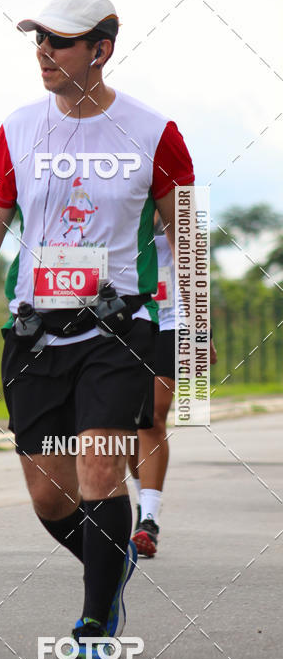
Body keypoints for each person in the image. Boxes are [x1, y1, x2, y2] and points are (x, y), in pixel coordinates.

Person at [0, 0, 195, 659]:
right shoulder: (19, 129)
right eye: (38, 41)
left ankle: (94, 626)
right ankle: (109, 571)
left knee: (97, 467)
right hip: (35, 335)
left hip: (120, 329)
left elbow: (186, 236)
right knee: (50, 496)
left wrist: (187, 327)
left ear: (101, 50)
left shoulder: (154, 133)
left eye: (59, 42)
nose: (44, 53)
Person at [129, 215, 217, 557]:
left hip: (172, 320)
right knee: (127, 421)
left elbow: (194, 270)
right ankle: (142, 504)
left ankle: (149, 520)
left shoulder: (175, 203)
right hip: (130, 317)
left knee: (152, 414)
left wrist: (202, 330)